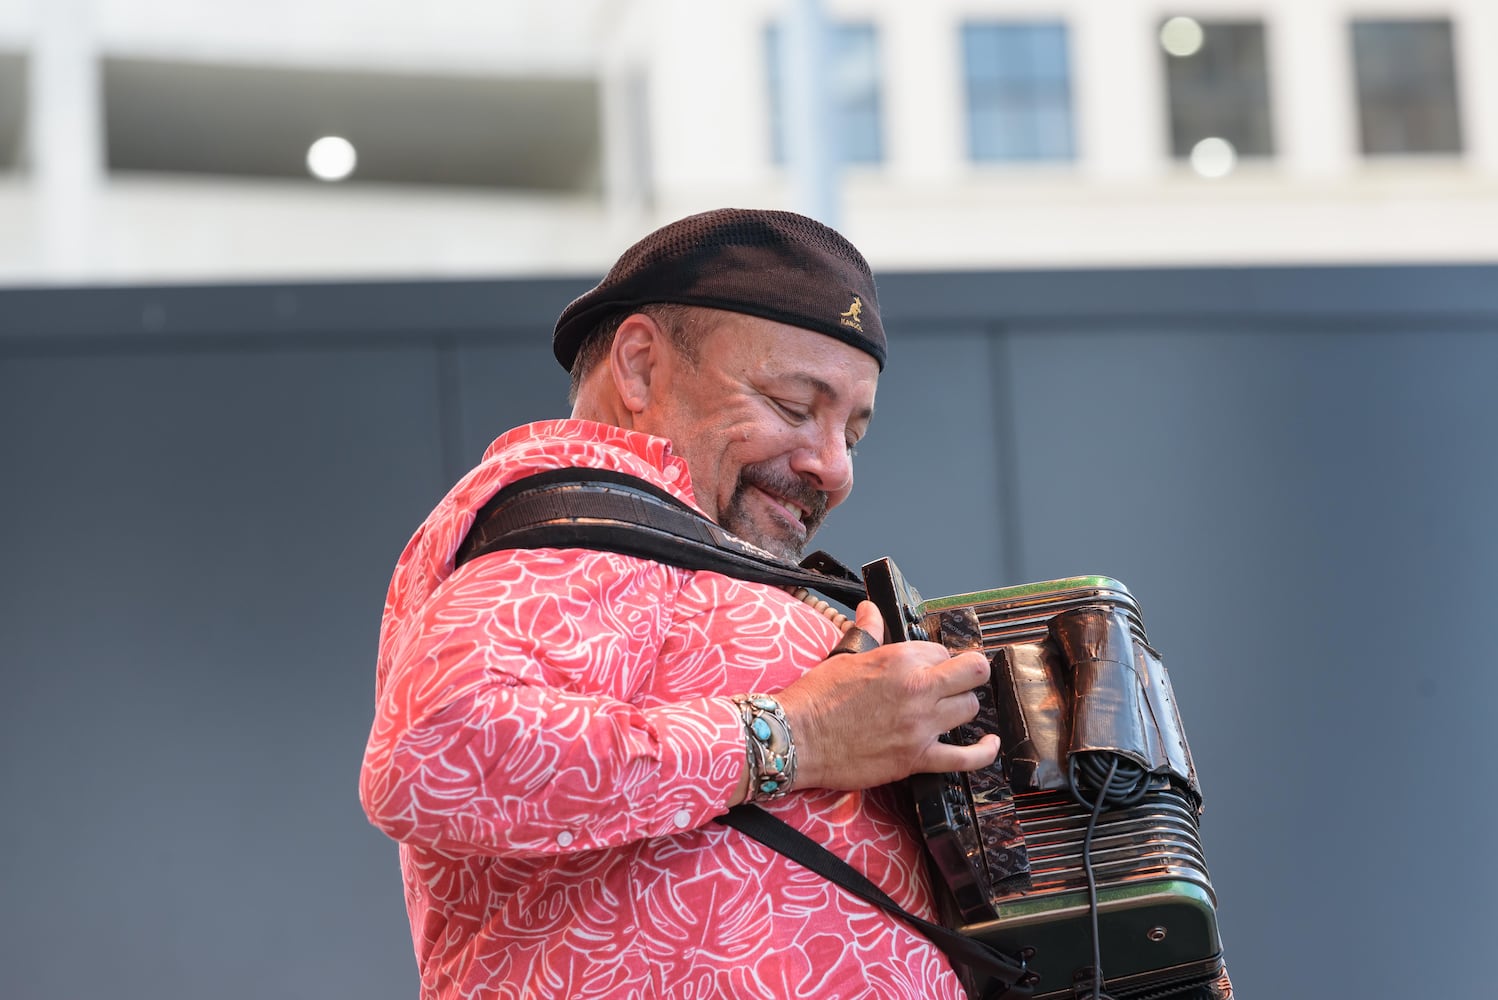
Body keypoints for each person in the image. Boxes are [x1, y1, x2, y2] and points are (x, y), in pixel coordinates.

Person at [359, 208, 1001, 999]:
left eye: (854, 435)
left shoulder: (674, 556)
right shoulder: (590, 515)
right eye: (796, 405)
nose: (834, 468)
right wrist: (795, 736)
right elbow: (437, 753)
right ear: (639, 367)